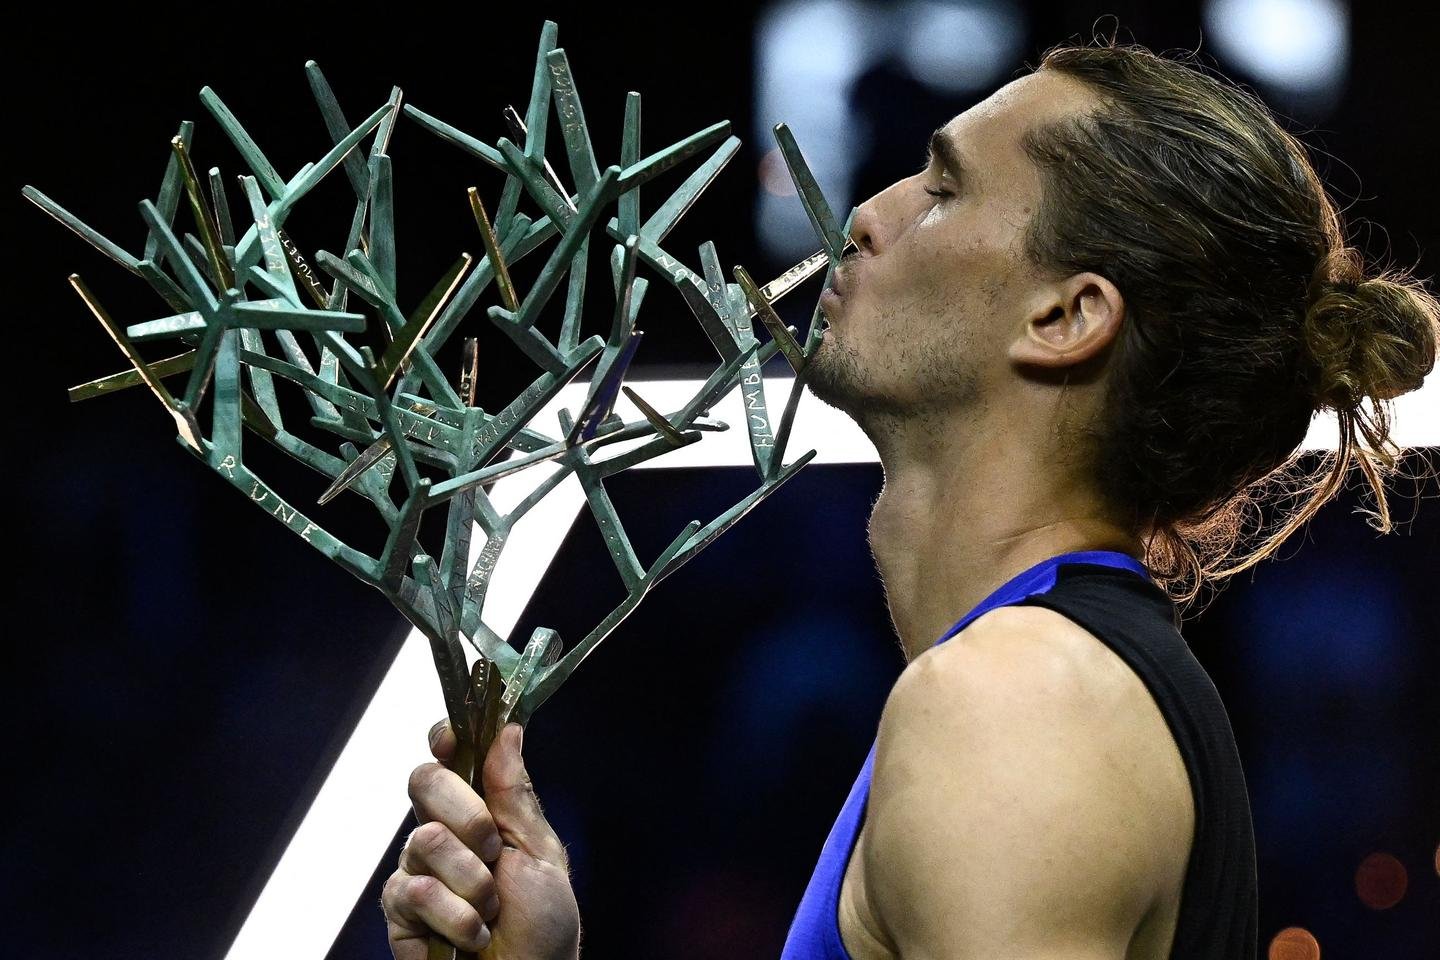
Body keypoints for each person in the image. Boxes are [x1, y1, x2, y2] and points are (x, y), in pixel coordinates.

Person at [379, 39, 1440, 960]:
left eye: (941, 189)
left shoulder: (1015, 704)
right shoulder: (1036, 686)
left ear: (1067, 316)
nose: (868, 216)